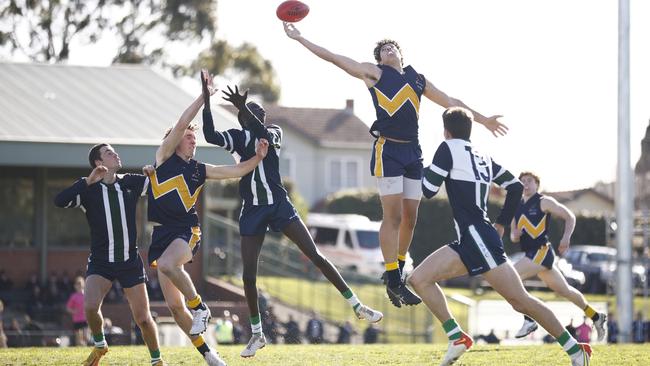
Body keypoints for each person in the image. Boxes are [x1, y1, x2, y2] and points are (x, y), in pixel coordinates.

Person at [283, 22, 508, 308]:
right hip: (388, 150)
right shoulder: (375, 74)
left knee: (410, 217)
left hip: (413, 152)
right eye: (382, 50)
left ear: (400, 53)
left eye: (391, 47)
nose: (387, 49)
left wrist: (484, 119)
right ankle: (392, 277)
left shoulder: (417, 79)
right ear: (379, 59)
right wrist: (301, 38)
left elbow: (452, 101)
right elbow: (336, 59)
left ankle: (398, 270)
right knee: (392, 217)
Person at [200, 74, 383, 358]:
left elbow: (262, 131)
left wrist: (244, 108)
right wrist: (206, 99)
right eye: (249, 110)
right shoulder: (237, 137)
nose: (254, 112)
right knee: (249, 275)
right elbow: (210, 135)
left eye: (256, 110)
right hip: (253, 209)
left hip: (279, 205)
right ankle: (258, 333)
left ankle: (357, 306)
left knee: (316, 256)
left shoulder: (273, 131)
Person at [407, 107, 591, 366]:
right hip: (471, 239)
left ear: (446, 131)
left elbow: (427, 189)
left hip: (478, 239)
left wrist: (414, 165)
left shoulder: (447, 148)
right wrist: (502, 223)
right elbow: (514, 187)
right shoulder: (481, 154)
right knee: (420, 278)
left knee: (521, 301)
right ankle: (456, 336)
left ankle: (575, 349)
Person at [143, 70, 269, 366]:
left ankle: (200, 307)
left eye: (194, 137)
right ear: (174, 141)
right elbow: (183, 121)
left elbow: (234, 171)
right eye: (188, 137)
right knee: (174, 308)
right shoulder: (163, 158)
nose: (192, 140)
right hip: (161, 234)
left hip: (186, 230)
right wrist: (204, 96)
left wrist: (258, 159)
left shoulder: (200, 168)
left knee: (168, 264)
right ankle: (209, 355)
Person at [54, 144, 165, 366]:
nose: (115, 154)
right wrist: (87, 180)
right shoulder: (88, 189)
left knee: (143, 318)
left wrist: (153, 170)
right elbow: (59, 201)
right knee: (90, 307)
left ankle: (157, 360)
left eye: (114, 151)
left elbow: (160, 182)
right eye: (109, 153)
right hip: (101, 261)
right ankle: (99, 344)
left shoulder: (129, 182)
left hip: (129, 261)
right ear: (98, 162)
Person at [511, 171, 607, 341]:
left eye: (529, 181)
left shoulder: (543, 201)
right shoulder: (516, 207)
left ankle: (529, 318)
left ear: (537, 184)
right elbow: (513, 235)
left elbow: (569, 216)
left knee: (510, 278)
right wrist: (515, 235)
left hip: (542, 252)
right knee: (566, 291)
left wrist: (566, 237)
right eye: (522, 181)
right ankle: (596, 316)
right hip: (532, 255)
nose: (525, 184)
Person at [66, 276, 88, 347]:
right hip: (77, 319)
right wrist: (74, 311)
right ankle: (79, 348)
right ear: (75, 286)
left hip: (86, 319)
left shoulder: (87, 295)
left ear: (83, 284)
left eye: (80, 283)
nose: (79, 285)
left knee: (86, 336)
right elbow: (68, 308)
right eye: (77, 284)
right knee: (78, 338)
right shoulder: (73, 296)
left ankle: (85, 347)